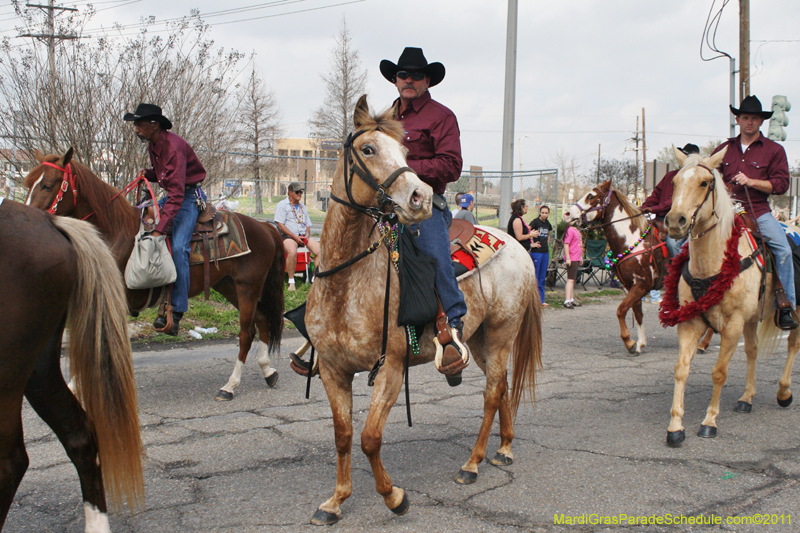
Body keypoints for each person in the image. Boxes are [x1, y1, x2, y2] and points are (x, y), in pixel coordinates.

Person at [381, 46, 470, 383]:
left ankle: (452, 328)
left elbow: (452, 166)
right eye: (403, 75)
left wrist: (404, 169)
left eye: (416, 75)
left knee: (433, 255)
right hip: (386, 204)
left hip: (425, 203)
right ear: (395, 79)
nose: (409, 80)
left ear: (427, 80)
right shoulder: (385, 117)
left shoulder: (440, 116)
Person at [713, 95, 798, 330]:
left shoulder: (774, 150)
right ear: (738, 120)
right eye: (745, 118)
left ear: (761, 122)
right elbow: (710, 176)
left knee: (783, 251)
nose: (749, 122)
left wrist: (751, 181)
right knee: (688, 244)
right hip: (725, 212)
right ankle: (690, 295)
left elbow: (781, 185)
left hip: (757, 211)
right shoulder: (724, 149)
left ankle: (785, 307)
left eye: (755, 119)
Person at [125, 103, 206, 335]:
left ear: (154, 125)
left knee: (179, 247)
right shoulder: (154, 144)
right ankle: (139, 292)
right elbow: (165, 176)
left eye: (139, 124)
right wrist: (147, 174)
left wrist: (162, 228)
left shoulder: (174, 148)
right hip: (173, 194)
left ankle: (178, 310)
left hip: (188, 197)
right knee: (139, 222)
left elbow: (178, 194)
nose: (136, 129)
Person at [640, 142, 700, 303]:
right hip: (659, 219)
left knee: (673, 244)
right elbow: (656, 193)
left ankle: (682, 275)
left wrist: (654, 209)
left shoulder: (694, 177)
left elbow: (673, 202)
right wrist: (645, 207)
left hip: (679, 220)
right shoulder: (670, 175)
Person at [274, 181, 321, 292]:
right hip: (288, 236)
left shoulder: (302, 207)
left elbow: (307, 224)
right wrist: (294, 237)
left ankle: (314, 279)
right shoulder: (282, 205)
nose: (300, 194)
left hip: (302, 235)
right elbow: (280, 225)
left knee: (320, 250)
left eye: (301, 192)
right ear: (290, 193)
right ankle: (291, 281)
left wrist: (307, 234)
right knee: (292, 251)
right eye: (297, 192)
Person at [529, 205, 552, 307]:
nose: (544, 215)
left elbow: (548, 234)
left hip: (545, 252)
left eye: (546, 213)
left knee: (542, 277)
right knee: (536, 276)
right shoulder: (535, 222)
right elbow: (527, 232)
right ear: (539, 212)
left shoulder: (547, 224)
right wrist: (532, 244)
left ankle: (541, 300)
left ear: (548, 214)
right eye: (542, 212)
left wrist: (547, 243)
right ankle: (532, 300)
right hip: (536, 252)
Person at [562, 217, 583, 309]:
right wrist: (568, 258)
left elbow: (579, 244)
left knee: (573, 279)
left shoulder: (576, 230)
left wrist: (580, 256)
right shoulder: (570, 230)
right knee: (570, 279)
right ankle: (567, 300)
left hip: (576, 257)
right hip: (572, 258)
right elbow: (566, 244)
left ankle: (571, 299)